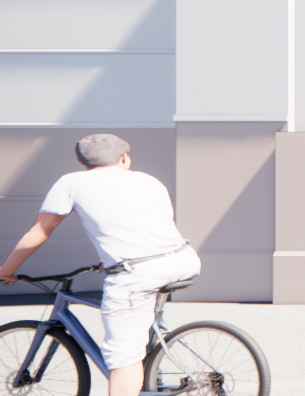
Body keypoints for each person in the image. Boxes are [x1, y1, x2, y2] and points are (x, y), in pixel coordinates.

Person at [0, 134, 200, 396]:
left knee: (122, 357)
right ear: (125, 158)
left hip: (138, 273)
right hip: (184, 259)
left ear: (80, 160)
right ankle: (154, 374)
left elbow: (40, 231)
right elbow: (154, 225)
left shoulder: (71, 182)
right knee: (140, 320)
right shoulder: (149, 180)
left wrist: (6, 270)